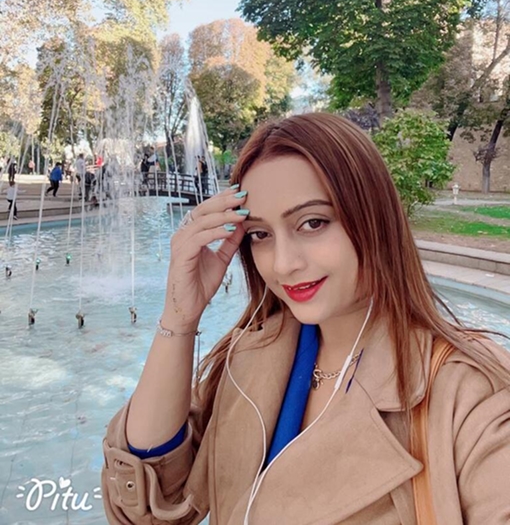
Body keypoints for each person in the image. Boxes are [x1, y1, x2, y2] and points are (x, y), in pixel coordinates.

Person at [101, 113, 510, 524]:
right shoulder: (248, 358)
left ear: (374, 217)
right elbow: (150, 507)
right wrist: (179, 318)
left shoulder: (471, 394)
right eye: (260, 234)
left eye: (313, 223)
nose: (283, 264)